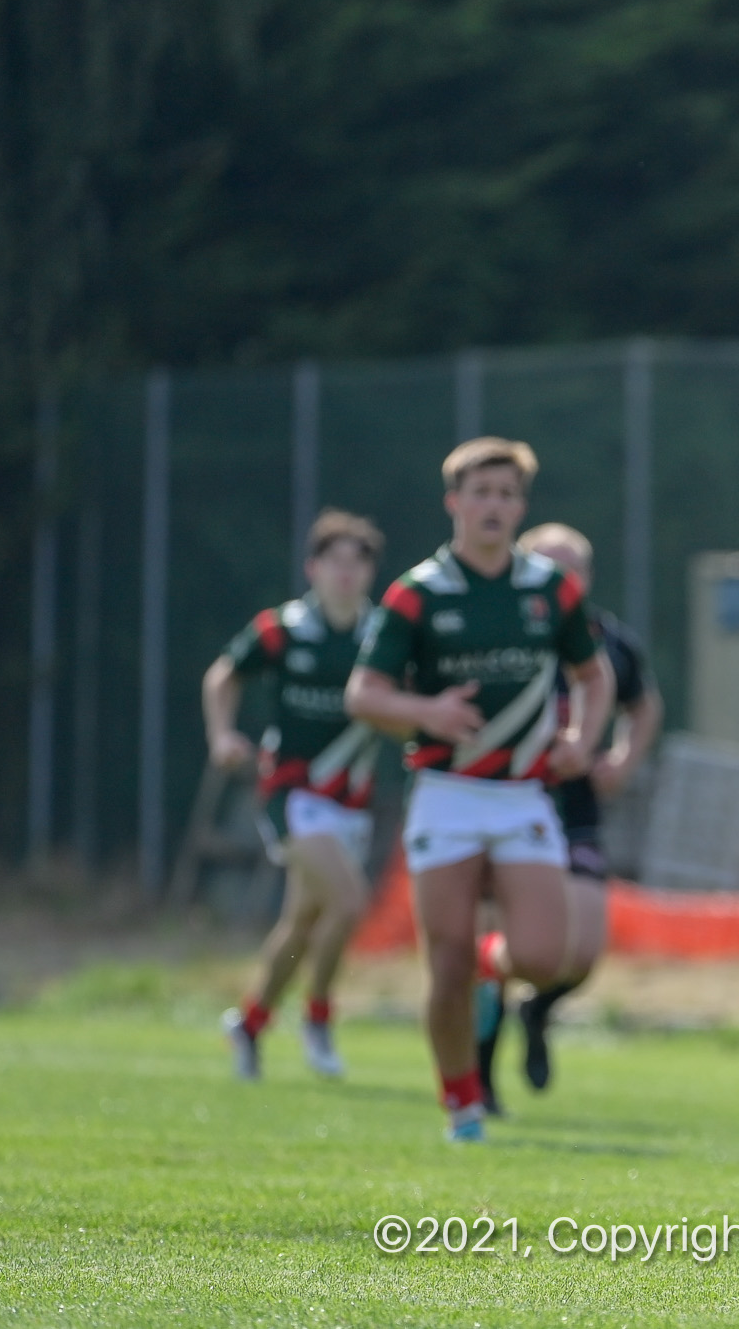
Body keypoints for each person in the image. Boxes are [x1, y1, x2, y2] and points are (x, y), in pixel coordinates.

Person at [344, 438, 614, 1142]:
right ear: (453, 502)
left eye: (506, 494)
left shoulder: (550, 590)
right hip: (445, 792)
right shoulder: (418, 593)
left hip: (523, 795)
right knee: (447, 957)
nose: (493, 505)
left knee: (542, 956)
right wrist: (426, 712)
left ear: (520, 507)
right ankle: (461, 1099)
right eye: (481, 492)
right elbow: (364, 693)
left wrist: (582, 740)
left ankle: (492, 969)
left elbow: (594, 676)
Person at [478, 522, 663, 1096]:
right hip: (505, 802)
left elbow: (644, 705)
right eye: (546, 567)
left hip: (575, 809)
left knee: (577, 956)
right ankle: (478, 1077)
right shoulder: (500, 633)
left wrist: (622, 760)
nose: (561, 580)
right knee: (508, 941)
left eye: (570, 570)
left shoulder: (609, 642)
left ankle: (536, 1012)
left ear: (585, 578)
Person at [208, 510, 385, 1081]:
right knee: (349, 903)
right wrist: (222, 734)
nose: (345, 574)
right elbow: (223, 675)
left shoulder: (383, 636)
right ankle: (318, 1016)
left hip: (351, 798)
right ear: (313, 567)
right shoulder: (282, 629)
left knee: (304, 923)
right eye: (335, 562)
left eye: (358, 564)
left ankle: (253, 1021)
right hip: (293, 793)